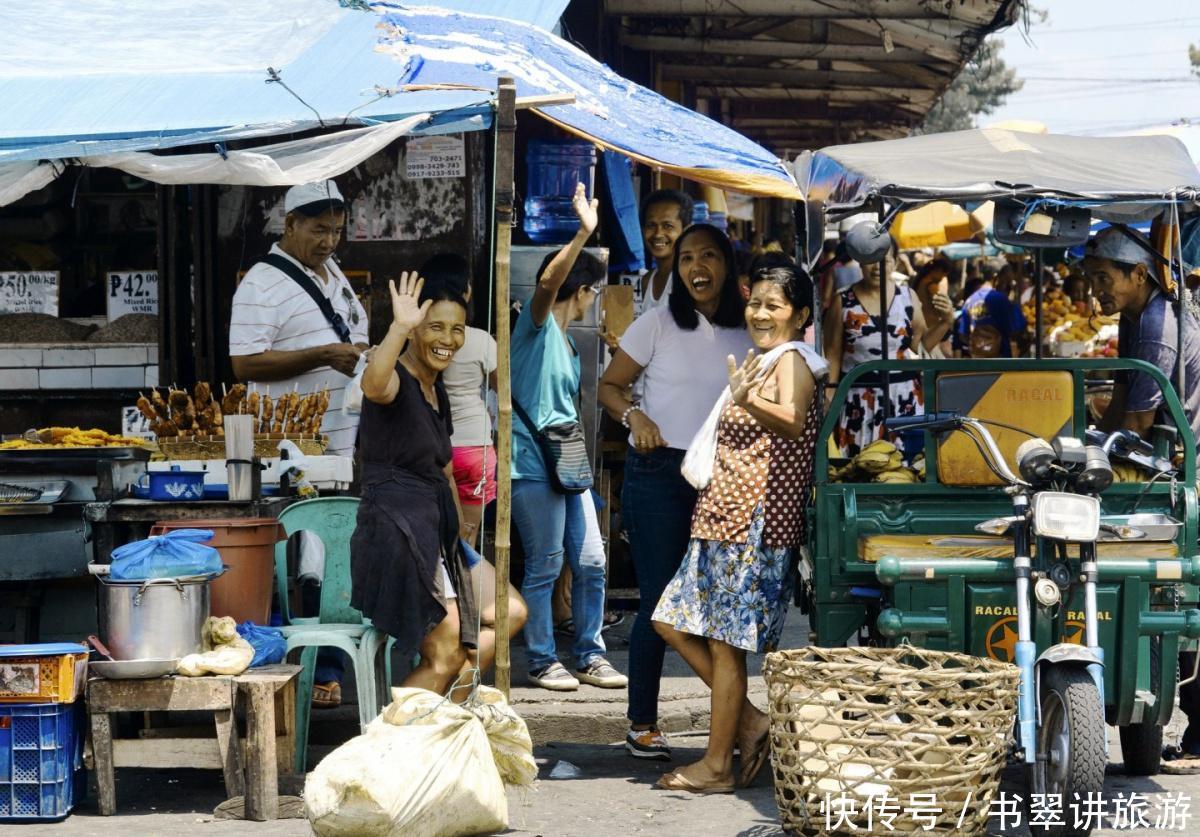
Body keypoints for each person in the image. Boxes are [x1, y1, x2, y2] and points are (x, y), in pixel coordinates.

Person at [651, 257, 826, 794]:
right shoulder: (765, 359)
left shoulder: (791, 361)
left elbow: (793, 419)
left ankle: (717, 766)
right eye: (755, 303)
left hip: (752, 528)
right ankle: (750, 723)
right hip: (724, 521)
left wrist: (748, 396)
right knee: (670, 622)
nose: (760, 313)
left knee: (728, 649)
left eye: (774, 306)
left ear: (799, 317)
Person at [598, 223, 753, 760]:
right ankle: (642, 722)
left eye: (708, 256)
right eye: (687, 258)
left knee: (717, 609)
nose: (696, 267)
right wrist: (634, 415)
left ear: (728, 266)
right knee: (660, 601)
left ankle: (731, 727)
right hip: (659, 473)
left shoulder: (751, 330)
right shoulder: (656, 325)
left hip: (725, 478)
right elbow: (609, 387)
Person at [351, 272, 526, 700]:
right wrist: (398, 328)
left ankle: (441, 724)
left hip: (440, 535)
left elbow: (444, 469)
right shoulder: (397, 380)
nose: (447, 339)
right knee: (445, 654)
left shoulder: (436, 389)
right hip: (399, 534)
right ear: (415, 332)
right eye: (435, 327)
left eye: (456, 329)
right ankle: (391, 747)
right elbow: (373, 384)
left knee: (510, 613)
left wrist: (462, 528)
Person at [229, 180, 367, 710]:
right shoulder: (262, 284)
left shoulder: (330, 274)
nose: (329, 240)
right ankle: (305, 673)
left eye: (336, 230)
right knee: (300, 561)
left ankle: (325, 667)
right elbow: (245, 363)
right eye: (318, 230)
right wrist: (324, 354)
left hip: (338, 439)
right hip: (289, 446)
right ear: (289, 225)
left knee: (332, 556)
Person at [1085, 223, 1200, 768]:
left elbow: (1137, 419)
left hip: (1181, 468)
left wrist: (1099, 449)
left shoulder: (1156, 324)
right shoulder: (1136, 318)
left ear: (1138, 274)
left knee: (1180, 595)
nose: (1095, 292)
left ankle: (1199, 729)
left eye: (1104, 279)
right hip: (1163, 460)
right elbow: (1121, 402)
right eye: (1090, 280)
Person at [511, 183, 626, 692]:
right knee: (546, 564)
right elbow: (547, 283)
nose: (593, 301)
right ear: (578, 291)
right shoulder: (533, 326)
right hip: (530, 461)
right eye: (592, 291)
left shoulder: (570, 345)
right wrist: (583, 232)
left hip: (566, 462)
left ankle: (589, 653)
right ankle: (541, 658)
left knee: (592, 561)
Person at [825, 257, 949, 457]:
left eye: (885, 259)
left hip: (904, 397)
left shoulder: (907, 297)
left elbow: (920, 345)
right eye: (870, 259)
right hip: (859, 399)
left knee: (906, 467)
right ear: (860, 261)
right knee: (861, 465)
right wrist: (828, 402)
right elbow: (833, 354)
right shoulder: (843, 301)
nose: (877, 267)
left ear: (895, 262)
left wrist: (946, 322)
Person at [420, 253, 497, 550]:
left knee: (435, 540)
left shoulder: (419, 339)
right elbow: (506, 390)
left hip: (436, 445)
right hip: (475, 447)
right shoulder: (479, 340)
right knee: (468, 539)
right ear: (464, 290)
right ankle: (466, 593)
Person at [637, 188, 694, 316]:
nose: (658, 234)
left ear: (686, 231)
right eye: (651, 225)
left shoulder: (688, 279)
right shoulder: (647, 281)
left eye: (667, 226)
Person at [956, 259, 1026, 358]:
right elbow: (1017, 328)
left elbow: (963, 335)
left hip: (977, 360)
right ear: (996, 277)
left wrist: (980, 342)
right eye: (1005, 279)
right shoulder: (1001, 299)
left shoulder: (970, 300)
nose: (1006, 283)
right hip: (1000, 360)